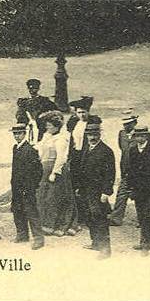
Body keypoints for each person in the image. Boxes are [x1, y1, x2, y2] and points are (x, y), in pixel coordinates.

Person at [36, 111, 77, 237]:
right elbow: (40, 148)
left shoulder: (61, 139)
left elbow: (61, 157)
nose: (47, 127)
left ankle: (62, 224)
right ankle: (46, 224)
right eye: (46, 125)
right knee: (44, 197)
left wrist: (55, 172)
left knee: (56, 197)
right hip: (45, 168)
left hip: (56, 169)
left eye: (49, 125)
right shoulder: (47, 136)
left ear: (56, 126)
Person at [80, 117, 115, 258]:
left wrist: (106, 191)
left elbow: (110, 173)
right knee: (89, 217)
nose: (92, 137)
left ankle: (106, 249)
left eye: (95, 135)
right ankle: (95, 242)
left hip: (99, 191)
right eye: (89, 135)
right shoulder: (87, 149)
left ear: (99, 135)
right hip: (87, 190)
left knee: (100, 219)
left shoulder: (106, 151)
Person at [126, 126, 150, 253]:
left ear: (147, 136)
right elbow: (130, 171)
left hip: (149, 189)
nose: (139, 138)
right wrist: (130, 188)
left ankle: (148, 243)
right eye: (137, 136)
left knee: (146, 215)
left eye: (142, 136)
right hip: (137, 189)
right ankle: (144, 241)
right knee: (140, 216)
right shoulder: (133, 150)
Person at [10, 122, 44, 250]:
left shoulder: (30, 150)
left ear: (24, 134)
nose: (17, 136)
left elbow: (38, 170)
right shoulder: (15, 148)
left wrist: (31, 186)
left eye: (19, 133)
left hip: (27, 188)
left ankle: (39, 238)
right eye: (15, 134)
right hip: (16, 187)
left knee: (31, 212)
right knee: (17, 210)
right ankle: (22, 234)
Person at [108, 110, 139, 226]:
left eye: (128, 123)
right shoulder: (121, 134)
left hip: (138, 172)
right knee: (121, 194)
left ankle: (142, 219)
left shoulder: (141, 135)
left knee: (139, 196)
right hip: (126, 171)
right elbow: (122, 149)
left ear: (135, 123)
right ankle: (116, 218)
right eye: (124, 124)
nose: (126, 126)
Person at [67, 97, 93, 231]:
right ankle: (80, 215)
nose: (82, 115)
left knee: (86, 186)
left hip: (87, 156)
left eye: (84, 112)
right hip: (76, 157)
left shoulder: (93, 123)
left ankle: (89, 216)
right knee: (75, 185)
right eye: (79, 112)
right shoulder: (75, 123)